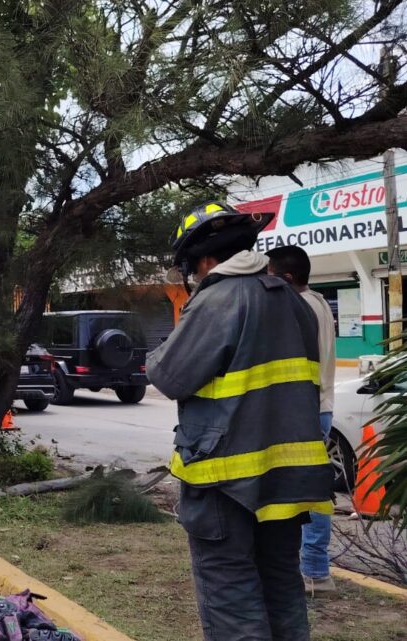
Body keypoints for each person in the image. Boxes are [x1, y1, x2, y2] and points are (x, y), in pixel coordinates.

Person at [147, 202, 335, 640]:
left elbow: (168, 375)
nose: (193, 277)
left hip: (224, 483)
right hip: (285, 482)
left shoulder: (218, 299)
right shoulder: (294, 300)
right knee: (282, 589)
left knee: (232, 597)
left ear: (205, 259)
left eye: (192, 269)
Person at [267, 245, 337, 594]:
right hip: (319, 407)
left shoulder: (297, 307)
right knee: (312, 488)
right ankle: (313, 568)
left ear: (287, 278)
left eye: (270, 274)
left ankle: (314, 570)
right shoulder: (320, 302)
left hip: (304, 409)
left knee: (307, 492)